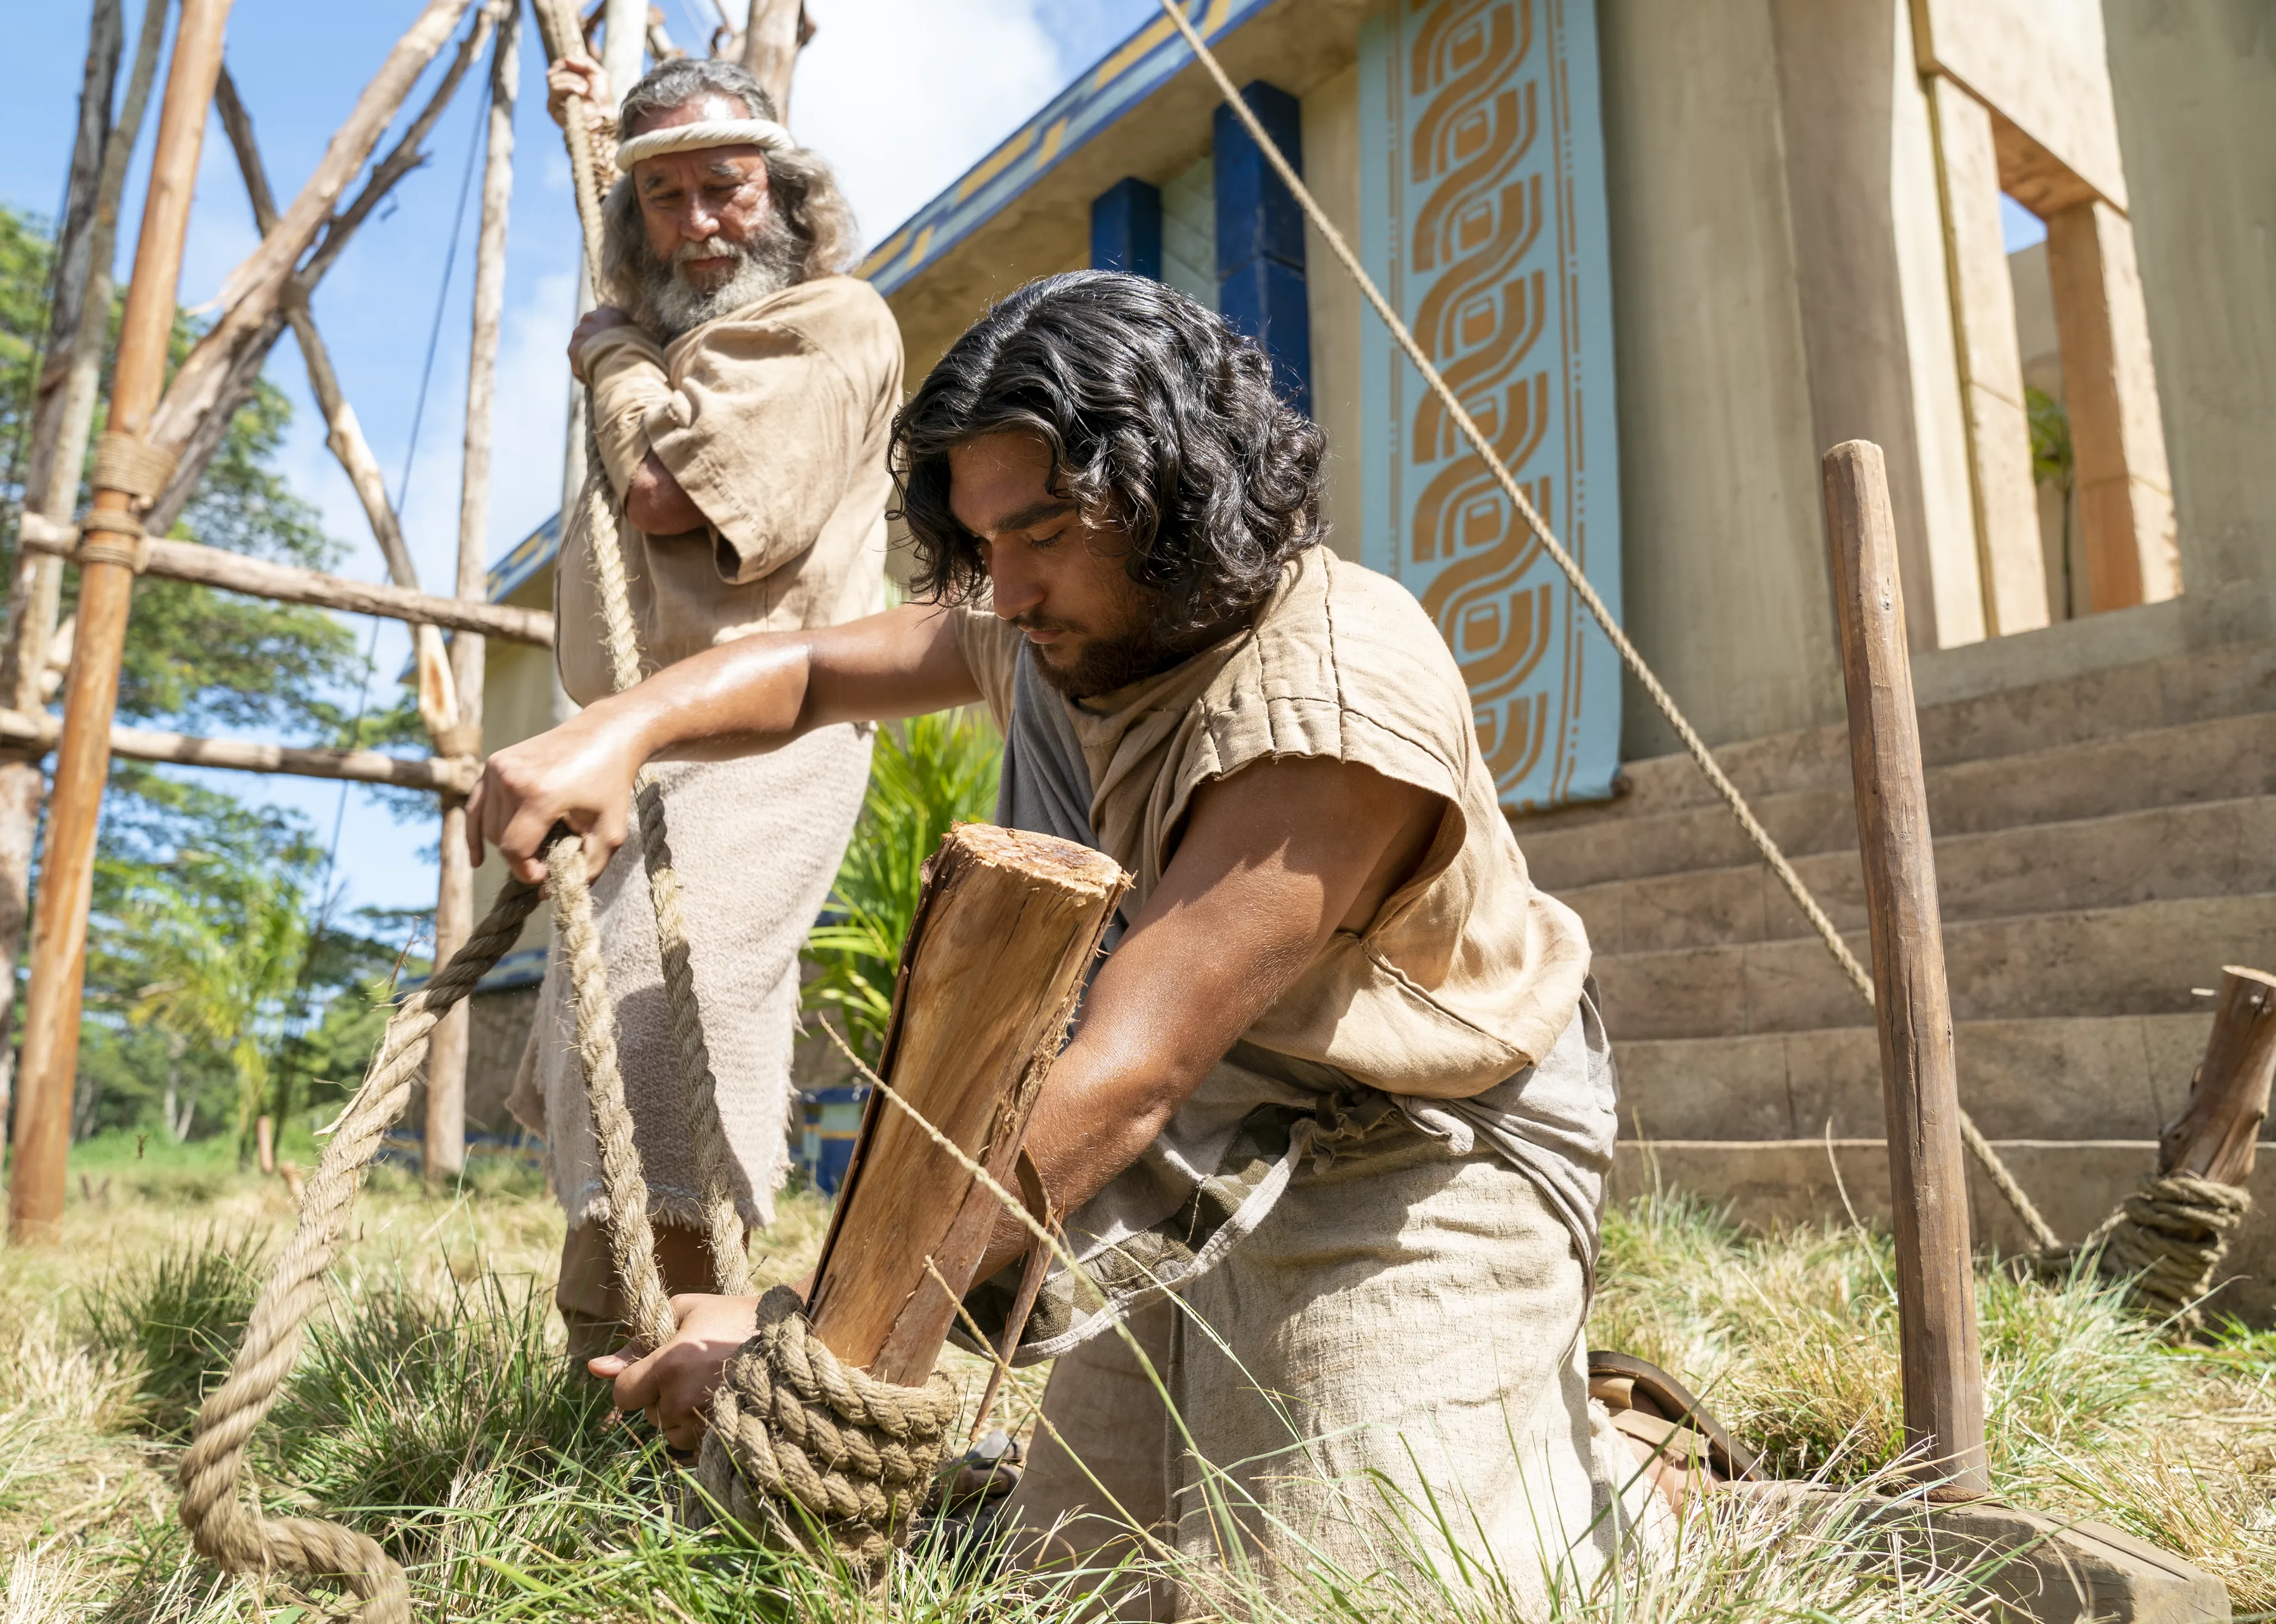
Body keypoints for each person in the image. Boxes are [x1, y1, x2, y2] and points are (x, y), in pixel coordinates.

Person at [473, 272, 1648, 1604]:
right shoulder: (1057, 621)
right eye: (985, 542)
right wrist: (614, 731)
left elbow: (1124, 1067)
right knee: (1082, 1581)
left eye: (1042, 532)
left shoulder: (1332, 701)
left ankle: (1618, 1469)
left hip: (1415, 1142)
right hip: (1158, 1151)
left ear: (1178, 498)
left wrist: (802, 1322)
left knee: (1320, 1583)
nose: (1008, 590)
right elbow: (808, 671)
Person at [509, 52, 900, 1353]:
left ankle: (696, 1347)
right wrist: (600, 100)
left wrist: (614, 361)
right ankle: (614, 1356)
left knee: (669, 1001)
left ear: (784, 194)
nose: (699, 222)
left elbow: (673, 492)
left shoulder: (830, 321)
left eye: (725, 189)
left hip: (764, 730)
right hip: (636, 745)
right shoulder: (673, 342)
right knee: (600, 1035)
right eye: (664, 197)